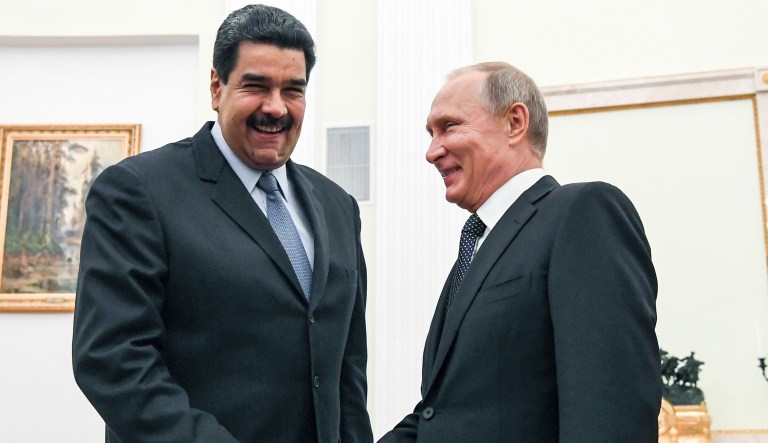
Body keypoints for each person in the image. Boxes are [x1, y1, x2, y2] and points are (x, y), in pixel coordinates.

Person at [72, 5, 372, 442]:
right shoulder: (138, 191)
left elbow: (347, 371)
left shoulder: (338, 206)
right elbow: (113, 361)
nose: (277, 107)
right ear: (217, 87)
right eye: (256, 86)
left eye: (293, 90)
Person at [380, 62, 660, 442]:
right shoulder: (476, 246)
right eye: (430, 133)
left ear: (515, 122)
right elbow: (441, 416)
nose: (432, 151)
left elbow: (610, 407)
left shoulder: (582, 212)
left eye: (449, 127)